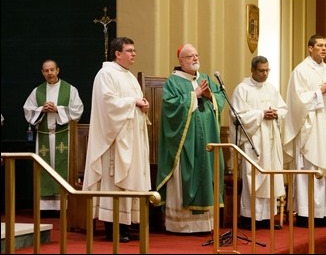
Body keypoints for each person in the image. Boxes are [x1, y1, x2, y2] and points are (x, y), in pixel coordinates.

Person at [82, 37, 151, 242]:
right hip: (115, 140)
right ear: (117, 54)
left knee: (129, 181)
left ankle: (126, 226)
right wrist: (133, 102)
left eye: (134, 50)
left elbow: (134, 101)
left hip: (132, 139)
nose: (134, 54)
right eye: (129, 50)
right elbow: (108, 103)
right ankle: (113, 228)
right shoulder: (106, 74)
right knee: (114, 183)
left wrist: (143, 105)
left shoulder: (129, 77)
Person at [155, 43, 226, 233]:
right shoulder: (173, 82)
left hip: (207, 138)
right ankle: (182, 225)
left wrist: (211, 96)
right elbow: (170, 108)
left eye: (196, 55)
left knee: (207, 172)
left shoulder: (206, 79)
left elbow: (220, 99)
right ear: (180, 60)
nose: (195, 59)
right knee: (186, 172)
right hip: (184, 140)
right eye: (190, 56)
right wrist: (193, 96)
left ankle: (205, 224)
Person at [283, 34, 326, 227]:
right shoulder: (301, 71)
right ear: (310, 48)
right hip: (310, 128)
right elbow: (297, 100)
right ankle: (307, 213)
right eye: (319, 45)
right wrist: (320, 91)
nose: (324, 49)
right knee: (311, 167)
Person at [229, 56, 287, 230]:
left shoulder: (271, 88)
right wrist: (261, 114)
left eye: (267, 70)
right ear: (253, 70)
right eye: (262, 70)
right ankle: (250, 217)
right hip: (253, 141)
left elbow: (283, 109)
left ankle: (268, 218)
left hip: (270, 139)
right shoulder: (242, 89)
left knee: (270, 177)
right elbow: (237, 116)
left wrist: (276, 113)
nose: (265, 74)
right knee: (253, 178)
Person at [23, 59, 84, 215]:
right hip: (44, 136)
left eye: (52, 70)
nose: (49, 73)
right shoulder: (37, 91)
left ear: (58, 70)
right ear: (42, 73)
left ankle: (62, 205)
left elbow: (77, 110)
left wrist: (58, 109)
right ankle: (45, 207)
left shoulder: (70, 89)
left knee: (62, 167)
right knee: (44, 169)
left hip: (63, 135)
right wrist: (41, 110)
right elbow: (28, 111)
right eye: (46, 70)